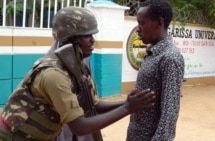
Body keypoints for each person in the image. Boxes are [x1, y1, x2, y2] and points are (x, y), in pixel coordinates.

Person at [0, 7, 155, 141]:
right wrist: (127, 108)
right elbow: (79, 127)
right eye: (87, 35)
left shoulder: (77, 67)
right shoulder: (53, 74)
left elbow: (93, 105)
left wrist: (128, 103)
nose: (93, 40)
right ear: (70, 39)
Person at [126, 0, 185, 141]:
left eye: (142, 23)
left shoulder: (170, 58)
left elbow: (169, 115)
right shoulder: (153, 53)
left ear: (159, 22)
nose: (138, 29)